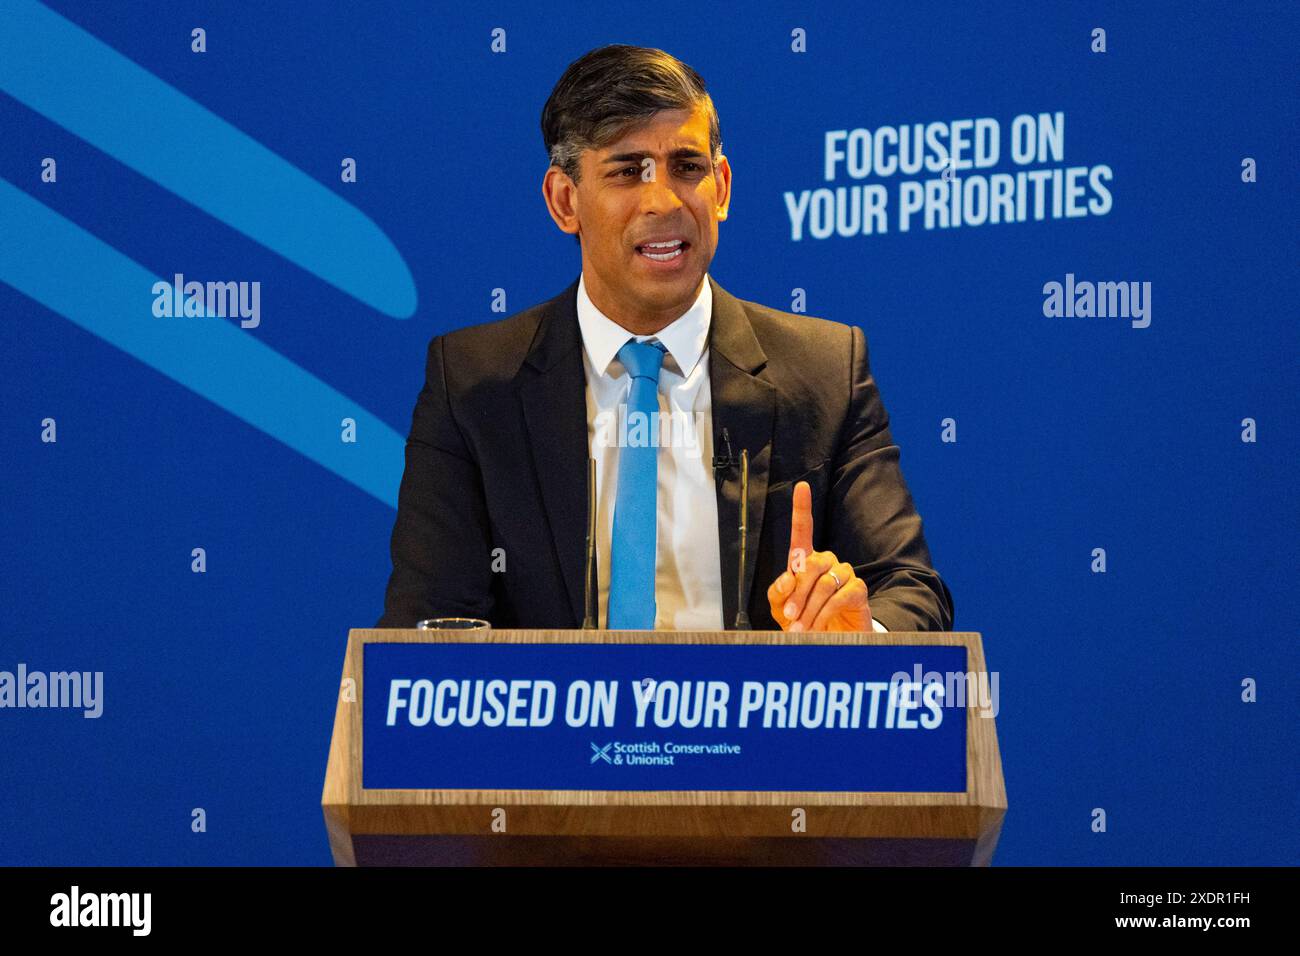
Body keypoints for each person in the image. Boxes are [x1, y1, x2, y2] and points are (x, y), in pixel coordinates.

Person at [377, 44, 953, 633]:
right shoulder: (474, 383)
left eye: (687, 167)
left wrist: (859, 636)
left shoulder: (826, 371)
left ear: (721, 187)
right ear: (564, 200)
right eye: (628, 171)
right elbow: (429, 629)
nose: (664, 201)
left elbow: (910, 593)